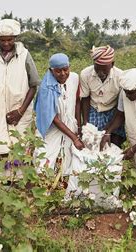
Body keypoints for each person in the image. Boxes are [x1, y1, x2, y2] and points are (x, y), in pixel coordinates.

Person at [0, 19, 40, 174]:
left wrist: (20, 111)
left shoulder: (25, 55)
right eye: (2, 40)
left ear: (15, 38)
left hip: (18, 110)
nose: (6, 43)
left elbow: (33, 85)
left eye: (9, 40)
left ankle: (14, 186)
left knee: (16, 146)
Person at [34, 53, 84, 184]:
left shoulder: (74, 78)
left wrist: (78, 126)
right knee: (45, 157)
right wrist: (74, 137)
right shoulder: (46, 88)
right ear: (51, 70)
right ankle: (42, 187)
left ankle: (61, 184)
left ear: (69, 67)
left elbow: (77, 101)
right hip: (51, 127)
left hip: (69, 123)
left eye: (65, 69)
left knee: (67, 157)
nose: (63, 74)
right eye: (58, 71)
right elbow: (54, 118)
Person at [80, 45, 125, 146]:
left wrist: (108, 130)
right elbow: (85, 98)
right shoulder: (85, 74)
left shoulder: (120, 77)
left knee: (114, 141)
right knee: (91, 141)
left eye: (104, 70)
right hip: (94, 109)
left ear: (112, 64)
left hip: (113, 110)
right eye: (97, 69)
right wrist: (86, 122)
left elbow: (120, 105)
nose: (100, 73)